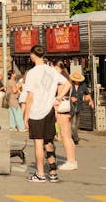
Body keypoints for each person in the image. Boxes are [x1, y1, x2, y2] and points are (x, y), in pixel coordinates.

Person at [22, 45, 70, 183]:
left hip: (36, 111)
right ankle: (53, 172)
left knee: (38, 142)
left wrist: (26, 115)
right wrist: (58, 98)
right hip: (49, 110)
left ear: (32, 56)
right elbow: (67, 84)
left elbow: (30, 96)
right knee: (49, 141)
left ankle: (40, 173)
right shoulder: (52, 71)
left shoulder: (32, 73)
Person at [53, 61, 78, 170]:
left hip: (62, 107)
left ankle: (70, 161)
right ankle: (72, 159)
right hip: (68, 107)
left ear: (57, 67)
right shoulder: (66, 76)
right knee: (68, 135)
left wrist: (58, 98)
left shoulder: (60, 78)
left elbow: (61, 91)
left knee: (65, 136)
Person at [68, 70, 93, 145]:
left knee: (76, 124)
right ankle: (75, 139)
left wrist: (90, 101)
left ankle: (74, 136)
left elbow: (87, 94)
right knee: (72, 125)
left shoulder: (83, 86)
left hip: (79, 106)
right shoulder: (70, 85)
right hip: (71, 107)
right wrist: (70, 98)